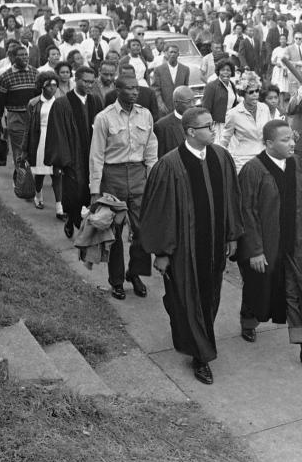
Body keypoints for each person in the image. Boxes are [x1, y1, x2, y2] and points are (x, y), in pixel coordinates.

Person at [141, 107, 243, 385]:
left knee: (209, 299)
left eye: (213, 125)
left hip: (213, 248)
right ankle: (201, 357)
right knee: (186, 301)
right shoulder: (170, 165)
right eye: (208, 126)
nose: (214, 130)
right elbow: (159, 213)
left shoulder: (221, 157)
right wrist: (161, 253)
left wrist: (232, 235)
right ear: (190, 132)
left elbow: (232, 199)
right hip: (184, 251)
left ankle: (200, 343)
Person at [235, 120, 302, 362]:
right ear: (269, 143)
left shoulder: (296, 164)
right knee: (259, 290)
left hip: (293, 244)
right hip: (265, 247)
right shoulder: (253, 170)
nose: (292, 144)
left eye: (292, 139)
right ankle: (249, 321)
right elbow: (247, 212)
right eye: (285, 140)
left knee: (296, 291)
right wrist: (255, 250)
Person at [89, 74, 158, 300]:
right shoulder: (104, 118)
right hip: (113, 176)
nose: (135, 92)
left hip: (138, 175)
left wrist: (152, 178)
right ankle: (116, 280)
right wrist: (95, 190)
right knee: (115, 232)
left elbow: (151, 150)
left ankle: (134, 273)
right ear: (117, 90)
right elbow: (96, 156)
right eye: (129, 89)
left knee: (143, 229)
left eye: (136, 88)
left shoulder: (145, 114)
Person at [45, 66, 103, 239]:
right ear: (75, 80)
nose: (89, 85)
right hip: (73, 157)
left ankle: (76, 220)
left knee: (91, 191)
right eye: (85, 81)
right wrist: (61, 161)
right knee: (74, 192)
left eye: (92, 82)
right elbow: (57, 133)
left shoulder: (96, 101)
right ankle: (74, 219)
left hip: (93, 155)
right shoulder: (62, 103)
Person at [0, 43, 38, 168]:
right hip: (15, 118)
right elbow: (0, 100)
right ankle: (20, 180)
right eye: (21, 55)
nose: (25, 57)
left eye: (26, 55)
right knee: (19, 150)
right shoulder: (5, 76)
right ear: (13, 58)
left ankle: (25, 178)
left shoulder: (35, 73)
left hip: (33, 117)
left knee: (31, 150)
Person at [24, 71, 62, 215]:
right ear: (42, 86)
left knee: (56, 173)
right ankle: (38, 195)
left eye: (55, 85)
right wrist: (24, 149)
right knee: (40, 173)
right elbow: (27, 128)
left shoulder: (60, 102)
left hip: (55, 139)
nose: (52, 88)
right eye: (48, 85)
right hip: (38, 139)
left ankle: (59, 206)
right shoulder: (33, 103)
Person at [220, 71, 270, 171]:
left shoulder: (264, 108)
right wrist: (220, 159)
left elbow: (270, 131)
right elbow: (225, 140)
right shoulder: (233, 114)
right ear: (243, 93)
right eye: (251, 92)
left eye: (257, 91)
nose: (255, 94)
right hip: (243, 161)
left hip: (264, 158)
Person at [200, 59, 238, 142]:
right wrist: (208, 126)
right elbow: (206, 108)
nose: (225, 72)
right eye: (223, 70)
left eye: (228, 70)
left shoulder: (232, 85)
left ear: (232, 72)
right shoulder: (211, 86)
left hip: (230, 123)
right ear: (218, 72)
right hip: (217, 125)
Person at [154, 85, 194, 156]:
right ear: (176, 103)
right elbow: (160, 156)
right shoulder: (162, 126)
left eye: (193, 100)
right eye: (188, 102)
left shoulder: (199, 120)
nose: (193, 105)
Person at [152, 44, 191, 115]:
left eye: (175, 52)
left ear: (178, 54)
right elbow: (155, 89)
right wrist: (160, 104)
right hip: (165, 108)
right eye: (171, 52)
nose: (172, 54)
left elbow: (185, 88)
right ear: (167, 54)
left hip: (180, 109)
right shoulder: (159, 70)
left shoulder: (185, 69)